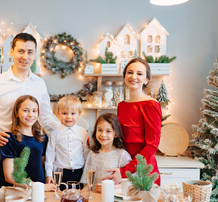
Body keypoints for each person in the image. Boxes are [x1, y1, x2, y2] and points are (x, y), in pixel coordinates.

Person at [0, 33, 60, 189]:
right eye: (20, 51)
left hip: (31, 151)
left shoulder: (39, 84)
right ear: (11, 52)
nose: (25, 56)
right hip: (3, 149)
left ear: (35, 54)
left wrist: (69, 131)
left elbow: (46, 117)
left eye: (30, 52)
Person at [103, 58, 162, 186]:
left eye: (139, 74)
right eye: (130, 72)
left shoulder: (151, 105)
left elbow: (152, 145)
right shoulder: (122, 105)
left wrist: (126, 170)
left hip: (143, 169)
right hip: (123, 164)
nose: (133, 76)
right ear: (124, 77)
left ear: (146, 79)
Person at [0, 95, 55, 191]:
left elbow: (43, 166)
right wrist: (39, 187)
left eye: (34, 111)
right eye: (25, 110)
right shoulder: (9, 139)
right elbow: (9, 176)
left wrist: (47, 178)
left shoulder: (43, 139)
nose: (30, 115)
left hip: (41, 192)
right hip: (20, 191)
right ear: (17, 113)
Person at [79, 113, 131, 192]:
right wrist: (80, 195)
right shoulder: (92, 154)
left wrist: (109, 188)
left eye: (108, 131)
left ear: (115, 134)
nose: (103, 134)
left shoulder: (122, 155)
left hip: (113, 199)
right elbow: (88, 184)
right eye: (100, 130)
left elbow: (130, 184)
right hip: (94, 198)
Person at [45, 95, 89, 184]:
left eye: (73, 113)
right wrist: (48, 174)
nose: (68, 117)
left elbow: (86, 153)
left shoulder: (83, 132)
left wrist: (86, 172)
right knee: (60, 196)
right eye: (64, 113)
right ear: (58, 114)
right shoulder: (54, 133)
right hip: (60, 173)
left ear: (79, 114)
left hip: (78, 172)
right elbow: (50, 155)